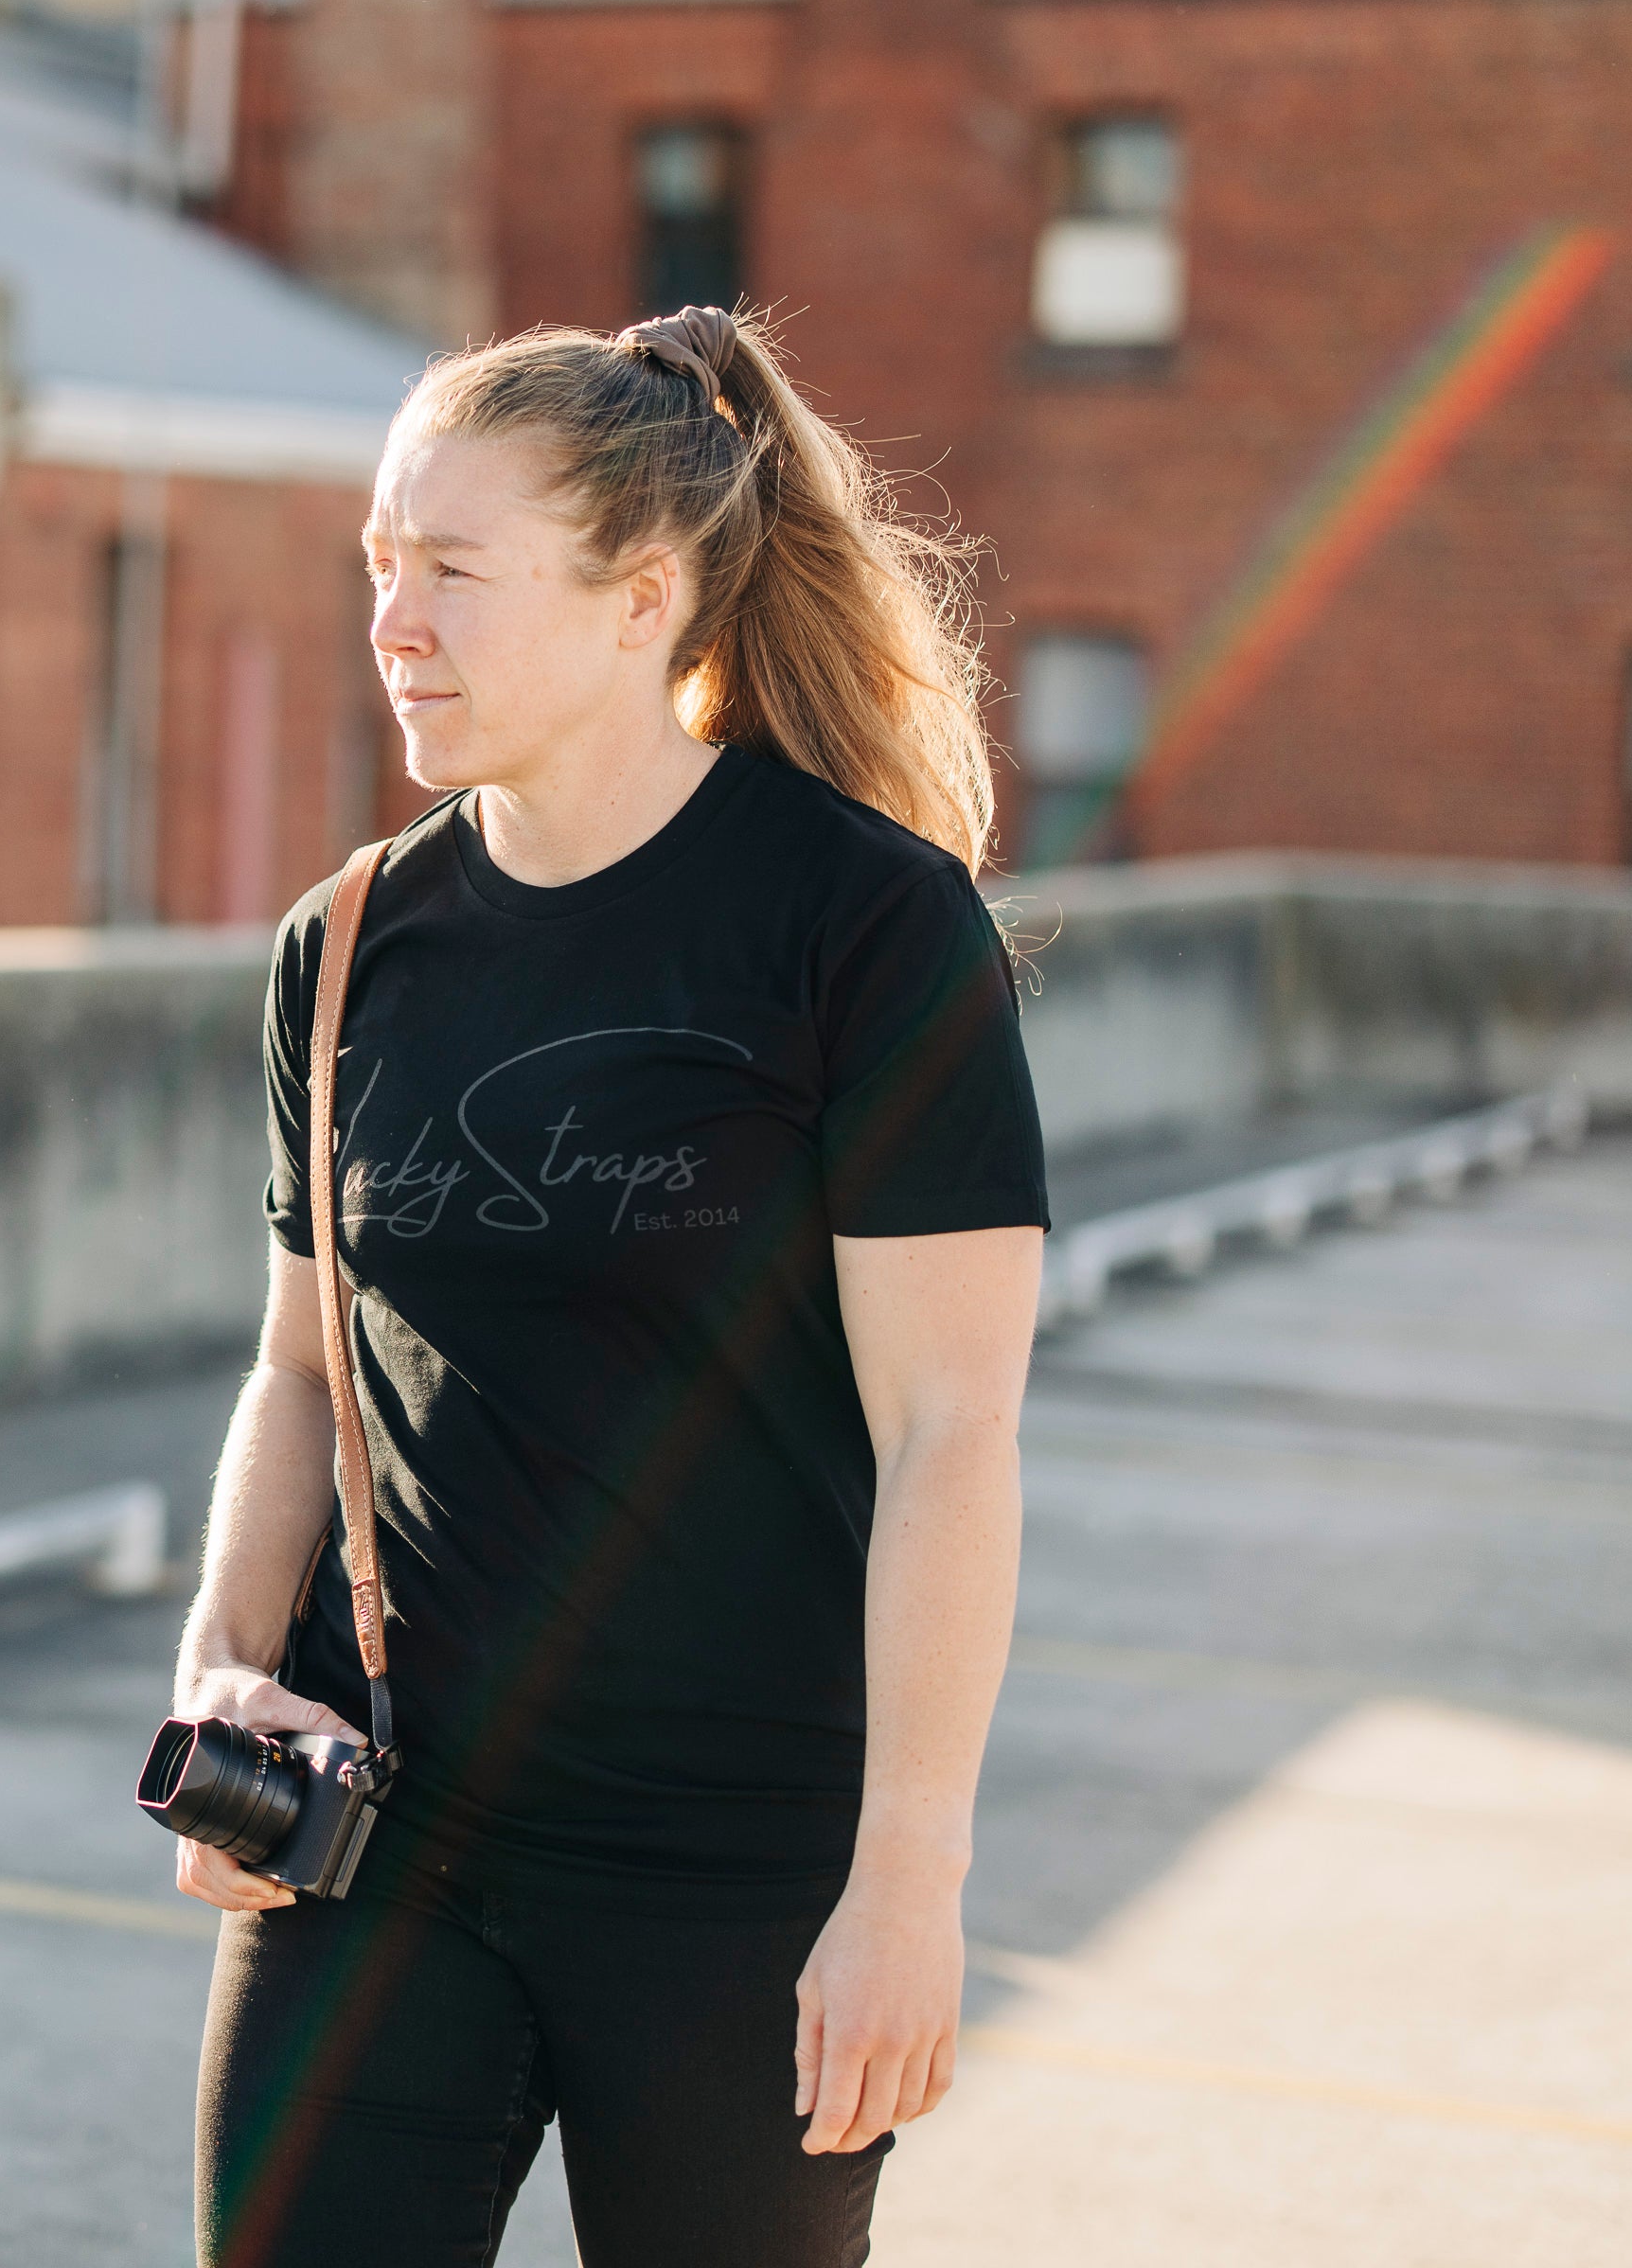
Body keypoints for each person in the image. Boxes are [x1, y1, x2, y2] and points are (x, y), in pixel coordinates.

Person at [170, 304, 1048, 2268]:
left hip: (736, 1880)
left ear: (644, 595)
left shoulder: (866, 928)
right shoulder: (351, 942)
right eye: (383, 565)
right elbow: (304, 1374)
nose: (393, 620)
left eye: (454, 574)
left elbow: (950, 1431)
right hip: (382, 1849)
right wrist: (223, 1662)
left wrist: (911, 1874)